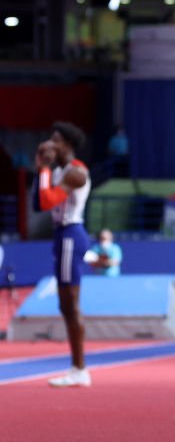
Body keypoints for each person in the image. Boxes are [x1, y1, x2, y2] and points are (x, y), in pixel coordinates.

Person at [35, 123, 92, 388]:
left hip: (71, 234)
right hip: (61, 235)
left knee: (71, 303)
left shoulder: (77, 173)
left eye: (54, 140)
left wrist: (45, 169)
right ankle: (77, 367)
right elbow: (38, 202)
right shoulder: (59, 171)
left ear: (67, 145)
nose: (49, 144)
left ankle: (80, 369)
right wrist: (43, 169)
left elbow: (48, 202)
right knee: (65, 305)